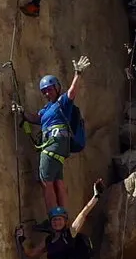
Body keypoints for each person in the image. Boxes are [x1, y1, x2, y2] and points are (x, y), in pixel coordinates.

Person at [12, 57, 86, 212]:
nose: (46, 92)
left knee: (46, 182)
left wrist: (77, 73)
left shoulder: (62, 103)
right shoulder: (46, 109)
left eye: (49, 89)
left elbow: (72, 92)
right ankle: (62, 215)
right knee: (57, 182)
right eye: (44, 91)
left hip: (53, 145)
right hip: (57, 148)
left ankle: (54, 217)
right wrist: (22, 112)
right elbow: (36, 118)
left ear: (57, 88)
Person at [16, 179, 104, 259]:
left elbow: (83, 214)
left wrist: (95, 197)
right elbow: (31, 254)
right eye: (54, 220)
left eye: (59, 219)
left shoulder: (69, 234)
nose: (57, 222)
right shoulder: (48, 240)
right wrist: (19, 241)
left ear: (65, 221)